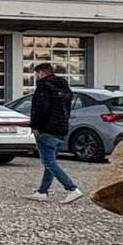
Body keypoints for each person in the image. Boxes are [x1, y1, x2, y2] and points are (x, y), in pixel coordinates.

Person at [23, 62, 83, 204]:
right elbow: (67, 109)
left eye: (36, 74)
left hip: (47, 129)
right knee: (51, 162)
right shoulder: (65, 88)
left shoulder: (43, 86)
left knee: (48, 161)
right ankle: (42, 191)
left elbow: (41, 108)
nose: (36, 77)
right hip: (61, 128)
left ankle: (72, 189)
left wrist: (34, 125)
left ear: (42, 73)